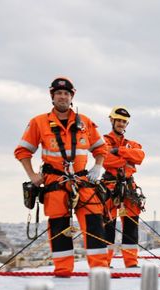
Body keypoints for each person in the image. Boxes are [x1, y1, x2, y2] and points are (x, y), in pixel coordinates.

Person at [15, 77, 108, 276]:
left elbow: (101, 148)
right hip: (54, 182)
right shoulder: (39, 122)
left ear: (71, 97)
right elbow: (22, 151)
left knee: (94, 223)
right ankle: (63, 270)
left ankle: (100, 269)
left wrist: (97, 167)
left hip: (83, 181)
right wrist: (32, 175)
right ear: (53, 96)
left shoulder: (85, 122)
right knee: (59, 227)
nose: (62, 97)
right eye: (59, 93)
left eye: (66, 94)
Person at [101, 106, 146, 268]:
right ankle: (105, 262)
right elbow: (106, 160)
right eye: (118, 120)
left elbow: (140, 156)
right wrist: (127, 157)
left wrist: (117, 151)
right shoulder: (104, 141)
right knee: (109, 225)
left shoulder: (131, 143)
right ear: (111, 120)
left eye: (124, 121)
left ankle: (131, 262)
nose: (121, 124)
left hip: (128, 186)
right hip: (110, 185)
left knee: (131, 224)